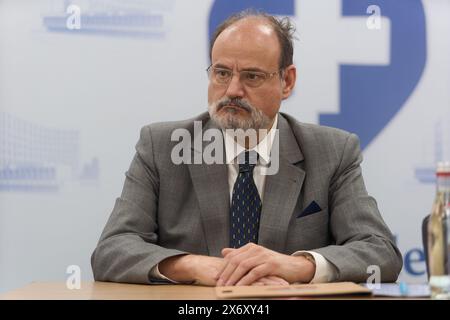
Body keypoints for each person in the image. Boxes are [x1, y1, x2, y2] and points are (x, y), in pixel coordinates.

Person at [91, 10, 402, 286]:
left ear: (287, 81)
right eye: (222, 73)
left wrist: (296, 265)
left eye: (251, 76)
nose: (232, 91)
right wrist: (194, 265)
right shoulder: (162, 146)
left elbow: (380, 252)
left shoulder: (333, 152)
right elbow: (112, 250)